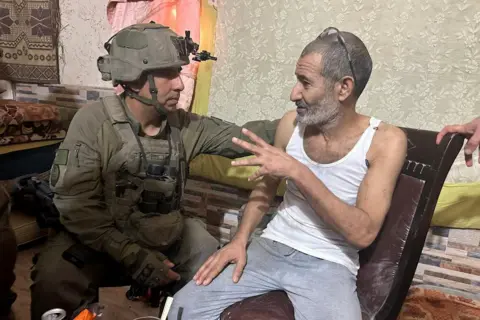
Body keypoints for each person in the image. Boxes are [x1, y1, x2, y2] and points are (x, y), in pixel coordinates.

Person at [29, 22, 279, 320]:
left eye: (179, 72)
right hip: (100, 242)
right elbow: (77, 207)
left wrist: (303, 121)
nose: (180, 84)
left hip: (164, 236)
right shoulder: (93, 122)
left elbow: (246, 137)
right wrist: (134, 257)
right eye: (168, 73)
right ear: (134, 80)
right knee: (54, 281)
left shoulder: (184, 125)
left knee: (209, 259)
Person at [168, 27, 408, 320]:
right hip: (271, 246)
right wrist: (240, 240)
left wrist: (297, 171)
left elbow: (362, 233)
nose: (293, 93)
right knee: (182, 308)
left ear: (343, 88)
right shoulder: (290, 124)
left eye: (305, 83)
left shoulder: (385, 141)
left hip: (329, 263)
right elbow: (265, 189)